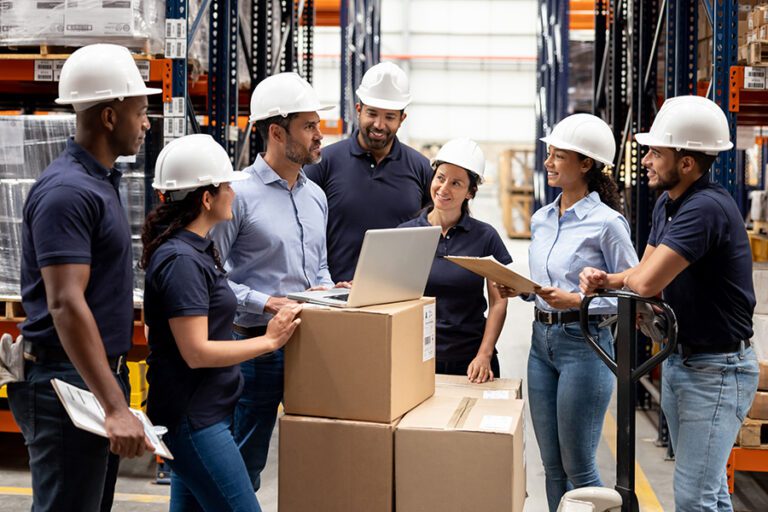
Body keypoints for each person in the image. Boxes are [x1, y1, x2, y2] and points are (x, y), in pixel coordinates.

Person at [579, 96, 759, 512]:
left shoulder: (705, 209)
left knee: (695, 497)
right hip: (682, 360)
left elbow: (643, 282)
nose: (645, 160)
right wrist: (608, 279)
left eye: (657, 153)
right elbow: (644, 268)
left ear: (687, 164)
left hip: (717, 370)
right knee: (709, 491)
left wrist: (623, 281)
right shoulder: (668, 203)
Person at [5, 44, 161, 512]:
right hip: (63, 384)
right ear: (110, 117)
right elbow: (66, 304)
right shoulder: (69, 192)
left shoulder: (98, 182)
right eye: (141, 111)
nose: (147, 123)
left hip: (85, 377)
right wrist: (114, 406)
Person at [142, 134, 301, 511]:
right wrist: (270, 341)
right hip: (195, 421)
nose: (234, 192)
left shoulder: (196, 249)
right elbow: (195, 352)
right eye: (227, 185)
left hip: (203, 414)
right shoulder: (182, 261)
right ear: (206, 198)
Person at [209, 72, 344, 492]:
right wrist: (267, 303)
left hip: (310, 345)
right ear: (276, 132)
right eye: (309, 126)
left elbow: (317, 270)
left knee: (316, 456)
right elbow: (211, 279)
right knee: (245, 463)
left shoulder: (315, 196)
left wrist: (331, 291)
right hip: (254, 352)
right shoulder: (238, 195)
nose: (319, 135)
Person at [497, 114, 638, 511]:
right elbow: (547, 286)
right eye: (550, 154)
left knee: (579, 466)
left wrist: (577, 302)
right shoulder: (542, 219)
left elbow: (634, 296)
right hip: (540, 344)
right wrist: (523, 290)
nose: (549, 162)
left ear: (586, 164)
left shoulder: (608, 224)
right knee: (551, 465)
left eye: (559, 156)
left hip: (585, 345)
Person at [304, 61, 433, 282]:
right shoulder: (324, 163)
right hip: (334, 294)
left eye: (390, 117)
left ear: (402, 119)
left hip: (399, 294)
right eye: (372, 113)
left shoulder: (421, 168)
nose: (379, 125)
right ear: (358, 110)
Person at [399, 138, 510, 382]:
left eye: (456, 183)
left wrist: (484, 354)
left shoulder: (485, 237)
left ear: (470, 192)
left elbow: (499, 302)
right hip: (418, 357)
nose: (444, 188)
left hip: (472, 361)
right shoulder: (406, 234)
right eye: (440, 177)